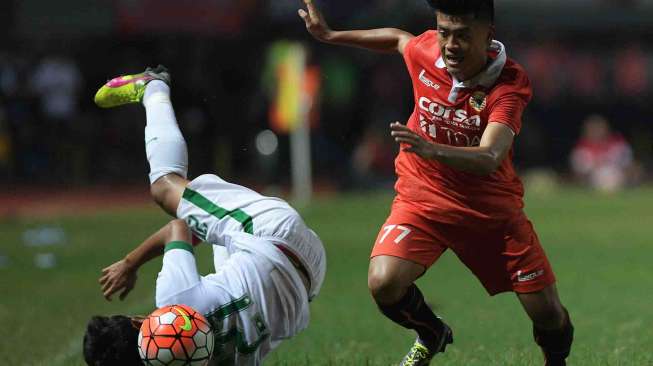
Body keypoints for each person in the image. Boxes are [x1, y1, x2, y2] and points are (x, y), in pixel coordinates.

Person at [299, 0, 573, 365]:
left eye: (462, 36)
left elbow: (491, 156)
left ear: (487, 35)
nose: (450, 45)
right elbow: (398, 39)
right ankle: (431, 332)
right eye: (444, 32)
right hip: (424, 196)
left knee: (548, 315)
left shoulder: (508, 83)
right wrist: (332, 35)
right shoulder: (428, 50)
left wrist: (432, 149)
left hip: (490, 211)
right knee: (384, 283)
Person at [83, 66, 327, 366]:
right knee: (164, 187)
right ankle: (153, 88)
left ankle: (214, 226)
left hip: (310, 277)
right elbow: (178, 229)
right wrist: (130, 263)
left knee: (224, 270)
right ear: (137, 322)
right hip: (272, 235)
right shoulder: (173, 304)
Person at [570, 114, 637, 193]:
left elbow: (630, 167)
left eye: (599, 128)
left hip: (619, 181)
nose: (596, 131)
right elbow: (579, 174)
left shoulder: (618, 145)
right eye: (592, 129)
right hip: (593, 185)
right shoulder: (581, 149)